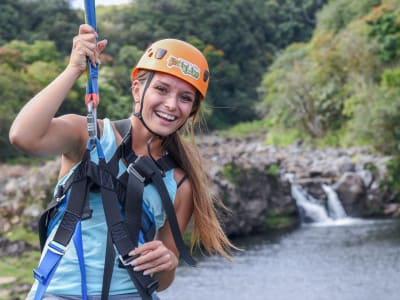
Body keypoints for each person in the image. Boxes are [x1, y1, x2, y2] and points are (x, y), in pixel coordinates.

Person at [9, 24, 234, 299]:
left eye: (185, 98)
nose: (172, 104)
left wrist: (168, 263)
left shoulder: (179, 183)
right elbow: (24, 136)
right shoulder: (88, 136)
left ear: (191, 112)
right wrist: (73, 70)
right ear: (137, 89)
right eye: (162, 89)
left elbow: (161, 281)